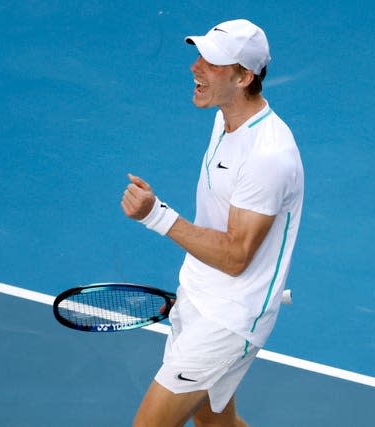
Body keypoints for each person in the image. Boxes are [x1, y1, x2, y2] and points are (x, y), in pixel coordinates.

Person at [121, 19, 304, 427]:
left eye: (213, 62)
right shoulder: (225, 118)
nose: (195, 67)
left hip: (231, 318)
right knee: (216, 425)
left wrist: (156, 215)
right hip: (198, 296)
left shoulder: (268, 155)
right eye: (199, 55)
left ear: (244, 77)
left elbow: (237, 256)